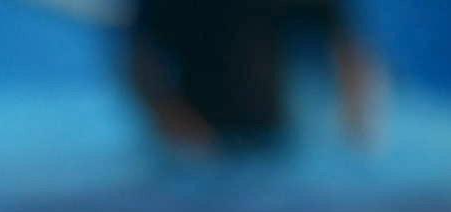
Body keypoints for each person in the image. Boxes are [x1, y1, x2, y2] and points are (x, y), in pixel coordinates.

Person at [124, 0, 381, 154]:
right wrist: (175, 124)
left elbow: (346, 45)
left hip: (269, 136)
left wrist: (357, 125)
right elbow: (139, 57)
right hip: (194, 138)